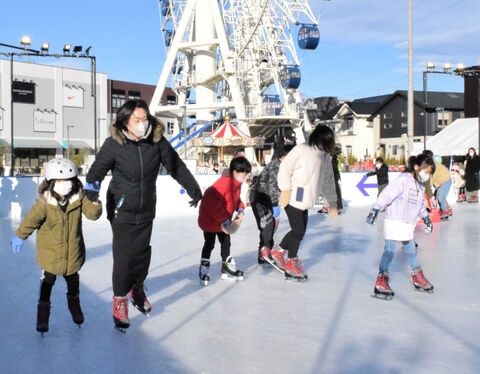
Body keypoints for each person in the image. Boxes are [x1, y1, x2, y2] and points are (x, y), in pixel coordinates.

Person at [85, 99, 202, 331]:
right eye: (136, 120)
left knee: (142, 254)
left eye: (144, 118)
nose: (142, 123)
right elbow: (96, 172)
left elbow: (176, 166)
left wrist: (194, 188)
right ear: (125, 122)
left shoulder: (157, 142)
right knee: (124, 257)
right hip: (121, 209)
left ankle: (137, 289)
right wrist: (91, 193)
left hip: (146, 208)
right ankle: (120, 300)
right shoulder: (114, 144)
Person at [11, 158, 102, 333]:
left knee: (73, 282)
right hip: (50, 255)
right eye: (60, 181)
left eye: (68, 180)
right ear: (51, 183)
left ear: (74, 181)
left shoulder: (79, 198)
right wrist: (20, 236)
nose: (64, 185)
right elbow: (31, 220)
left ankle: (74, 306)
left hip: (72, 253)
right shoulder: (44, 203)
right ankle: (42, 314)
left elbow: (93, 214)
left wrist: (94, 200)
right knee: (47, 282)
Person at [366, 154, 435, 299]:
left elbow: (421, 205)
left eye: (429, 173)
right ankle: (381, 280)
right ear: (416, 167)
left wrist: (426, 218)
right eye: (426, 171)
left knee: (411, 251)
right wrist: (375, 210)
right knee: (390, 251)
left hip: (408, 223)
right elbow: (386, 195)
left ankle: (417, 277)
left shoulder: (420, 185)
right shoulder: (403, 180)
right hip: (394, 220)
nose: (426, 176)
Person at [277, 125, 338, 281]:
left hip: (307, 200)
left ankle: (278, 251)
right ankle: (291, 260)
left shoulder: (324, 156)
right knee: (298, 231)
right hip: (292, 198)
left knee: (300, 231)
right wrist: (285, 190)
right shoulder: (301, 150)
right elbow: (284, 168)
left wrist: (332, 202)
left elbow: (329, 180)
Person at [197, 156, 251, 285]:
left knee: (226, 242)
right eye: (244, 173)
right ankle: (204, 268)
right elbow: (210, 202)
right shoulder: (224, 183)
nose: (246, 176)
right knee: (209, 244)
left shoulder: (236, 184)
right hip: (210, 220)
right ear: (235, 172)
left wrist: (241, 208)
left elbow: (235, 200)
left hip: (223, 220)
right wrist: (224, 221)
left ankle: (226, 267)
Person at [249, 144, 293, 269]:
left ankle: (263, 254)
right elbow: (273, 185)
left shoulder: (281, 165)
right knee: (267, 225)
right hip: (260, 196)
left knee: (268, 225)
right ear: (285, 156)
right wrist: (274, 204)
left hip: (265, 197)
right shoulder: (276, 166)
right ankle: (265, 251)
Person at [422, 150, 452, 219]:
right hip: (442, 181)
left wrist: (429, 185)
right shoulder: (430, 162)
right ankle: (448, 209)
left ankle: (444, 211)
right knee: (438, 196)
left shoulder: (432, 163)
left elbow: (433, 175)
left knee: (440, 197)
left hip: (445, 180)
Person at [318, 145, 344, 214]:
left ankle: (337, 209)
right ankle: (325, 208)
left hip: (333, 178)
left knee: (335, 193)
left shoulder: (334, 160)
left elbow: (334, 169)